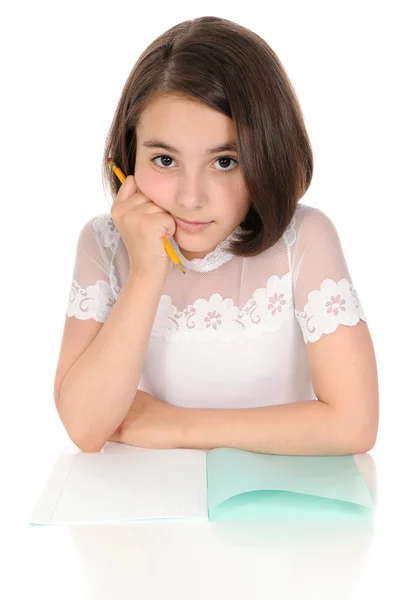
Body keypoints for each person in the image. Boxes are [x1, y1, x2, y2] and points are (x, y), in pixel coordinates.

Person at [53, 16, 378, 455]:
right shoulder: (104, 244)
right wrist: (147, 273)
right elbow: (85, 428)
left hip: (271, 510)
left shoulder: (303, 240)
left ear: (267, 157)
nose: (190, 198)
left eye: (224, 161)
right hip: (141, 508)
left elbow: (354, 425)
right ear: (128, 159)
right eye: (165, 160)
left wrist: (175, 427)